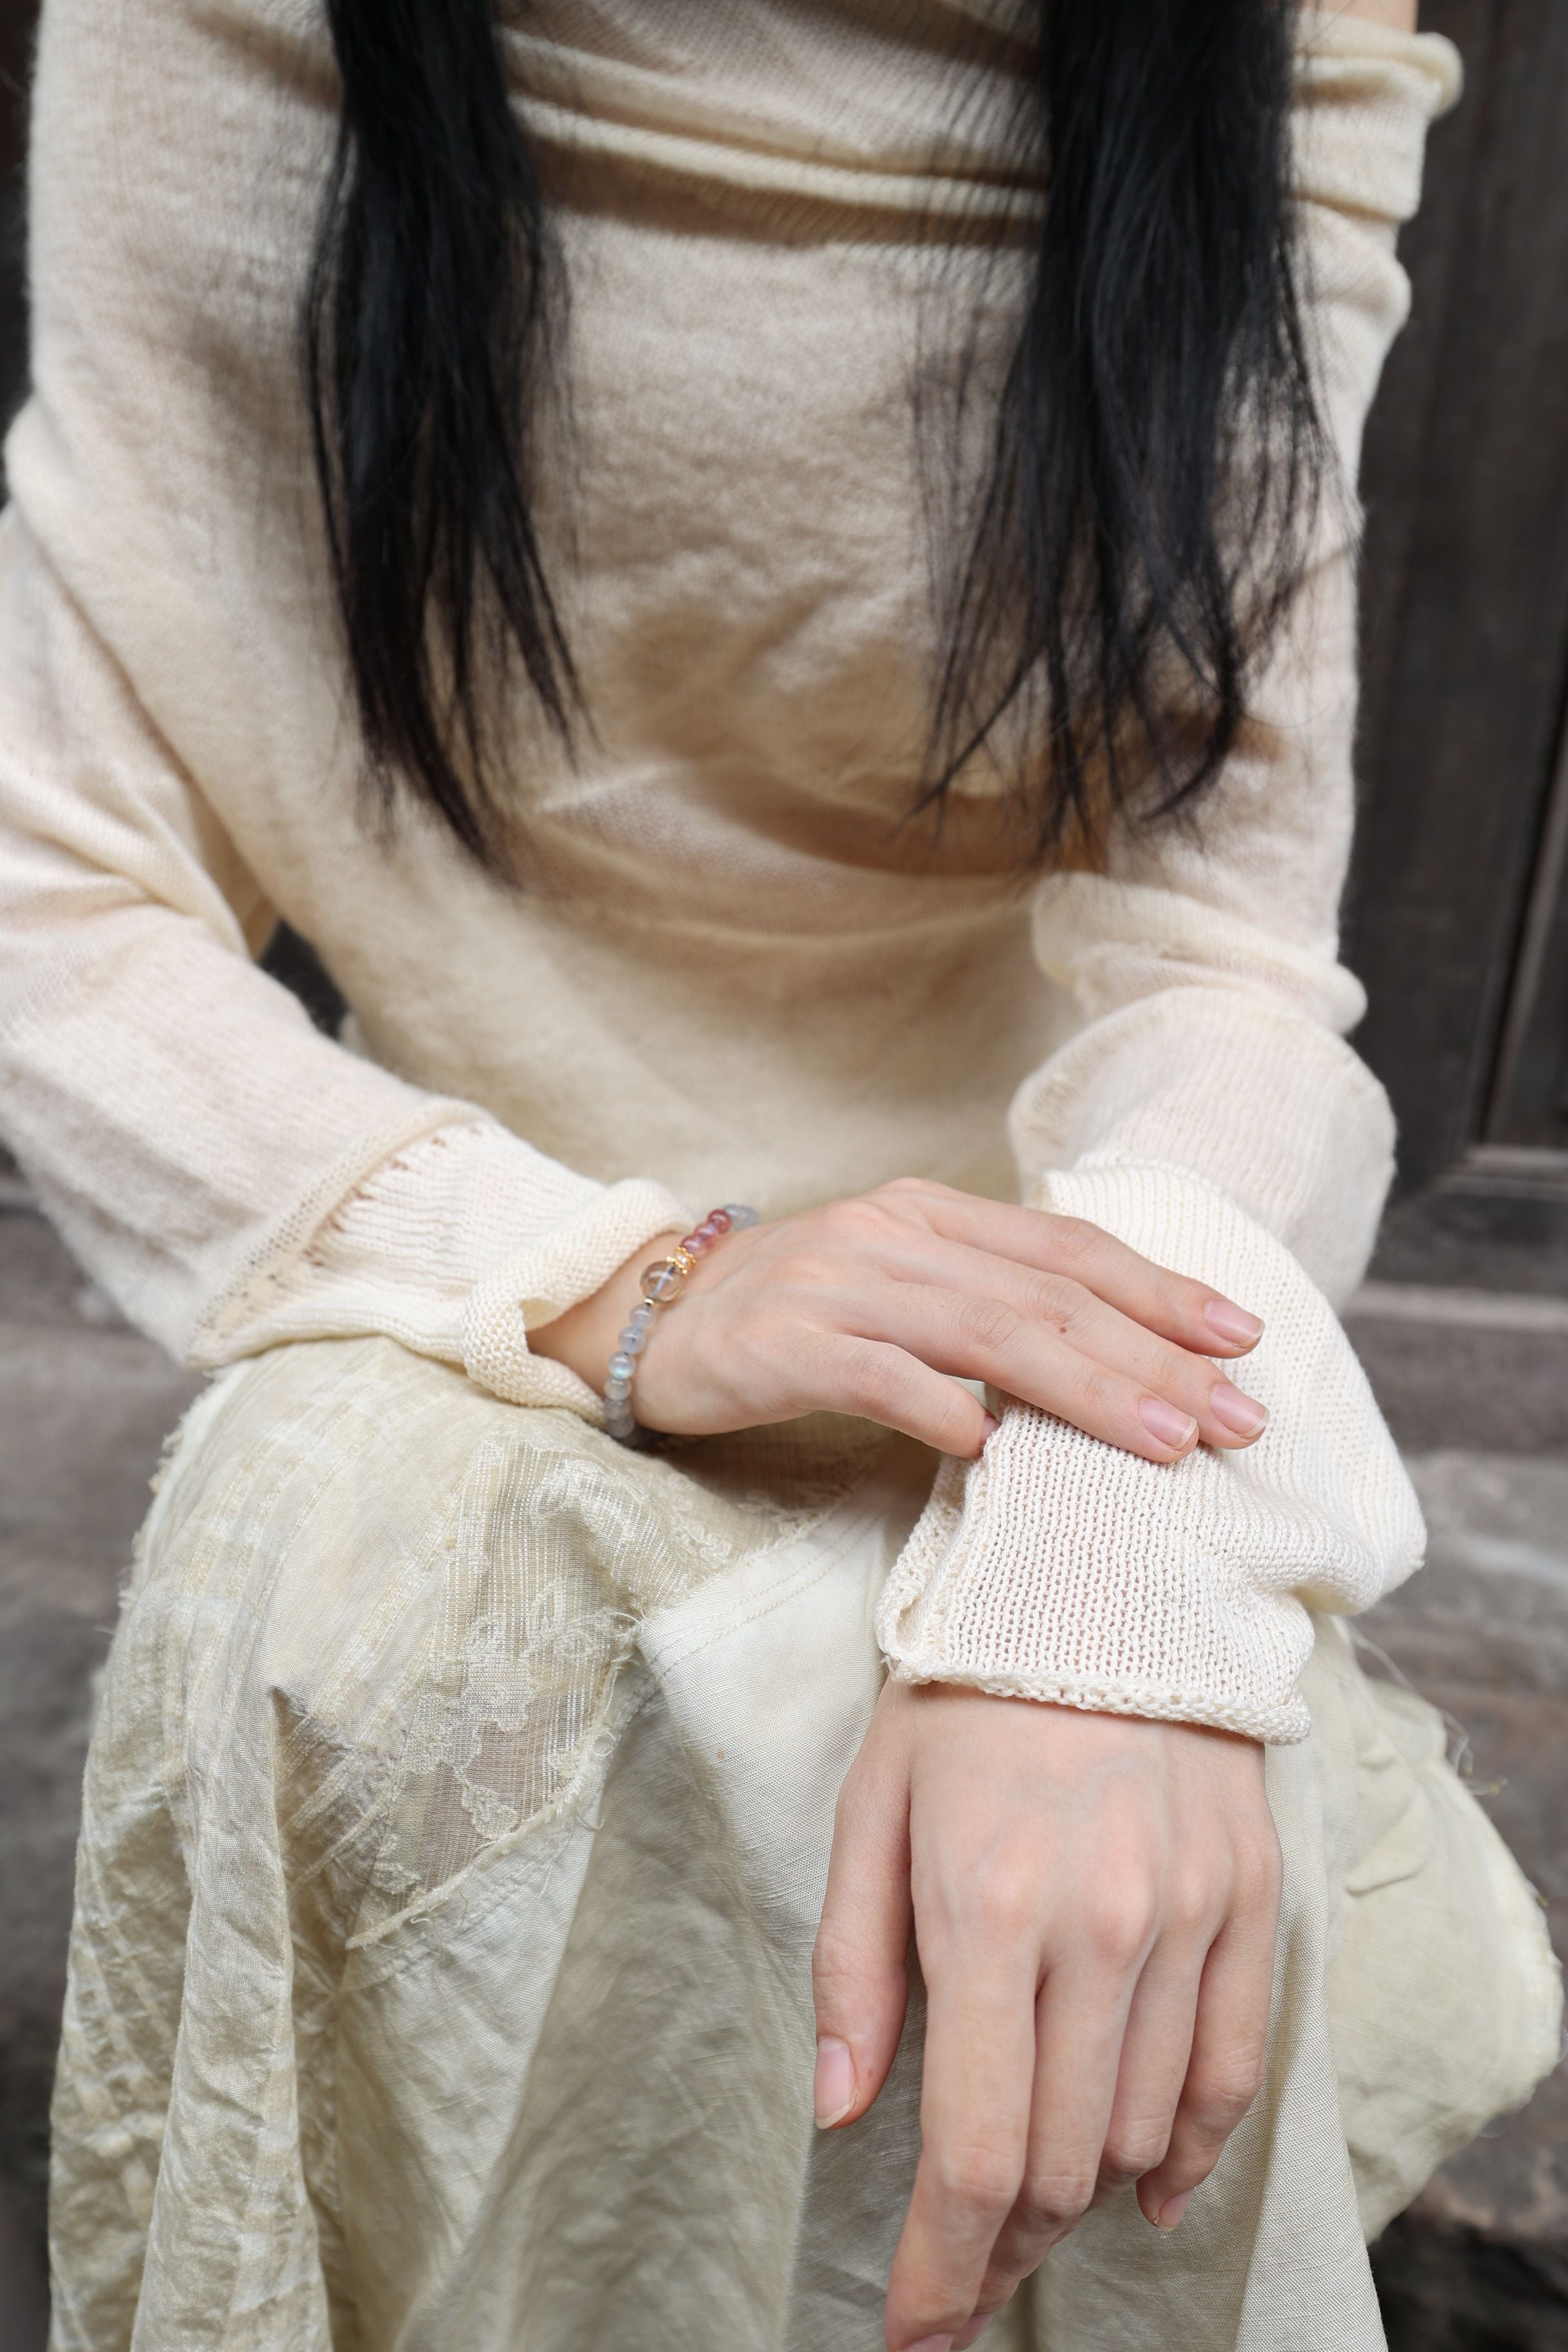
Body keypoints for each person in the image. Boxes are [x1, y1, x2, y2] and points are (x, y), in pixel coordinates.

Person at [1, 1, 1557, 2345]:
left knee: (1121, 1834)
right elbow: (56, 884)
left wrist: (1102, 1555)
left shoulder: (1267, 38)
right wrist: (601, 1277)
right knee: (330, 1555)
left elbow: (1218, 959)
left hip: (1058, 1290)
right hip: (514, 1269)